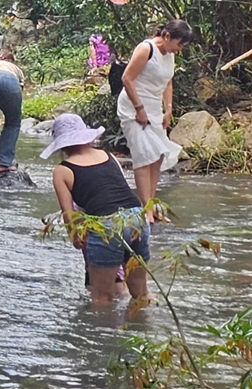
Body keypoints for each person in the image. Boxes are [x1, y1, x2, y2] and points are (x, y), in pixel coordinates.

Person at [45, 112, 151, 306]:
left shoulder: (62, 170)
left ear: (62, 145)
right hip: (137, 217)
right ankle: (147, 330)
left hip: (107, 225)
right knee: (141, 293)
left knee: (102, 298)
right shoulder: (108, 156)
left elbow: (69, 215)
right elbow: (118, 189)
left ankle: (104, 335)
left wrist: (76, 238)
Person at [116, 19, 194, 212]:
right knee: (143, 155)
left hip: (154, 108)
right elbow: (127, 78)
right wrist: (139, 109)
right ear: (167, 36)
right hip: (133, 107)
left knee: (157, 156)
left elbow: (168, 83)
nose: (179, 49)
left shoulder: (170, 54)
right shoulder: (146, 49)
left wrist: (168, 109)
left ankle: (150, 203)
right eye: (179, 44)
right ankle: (146, 209)